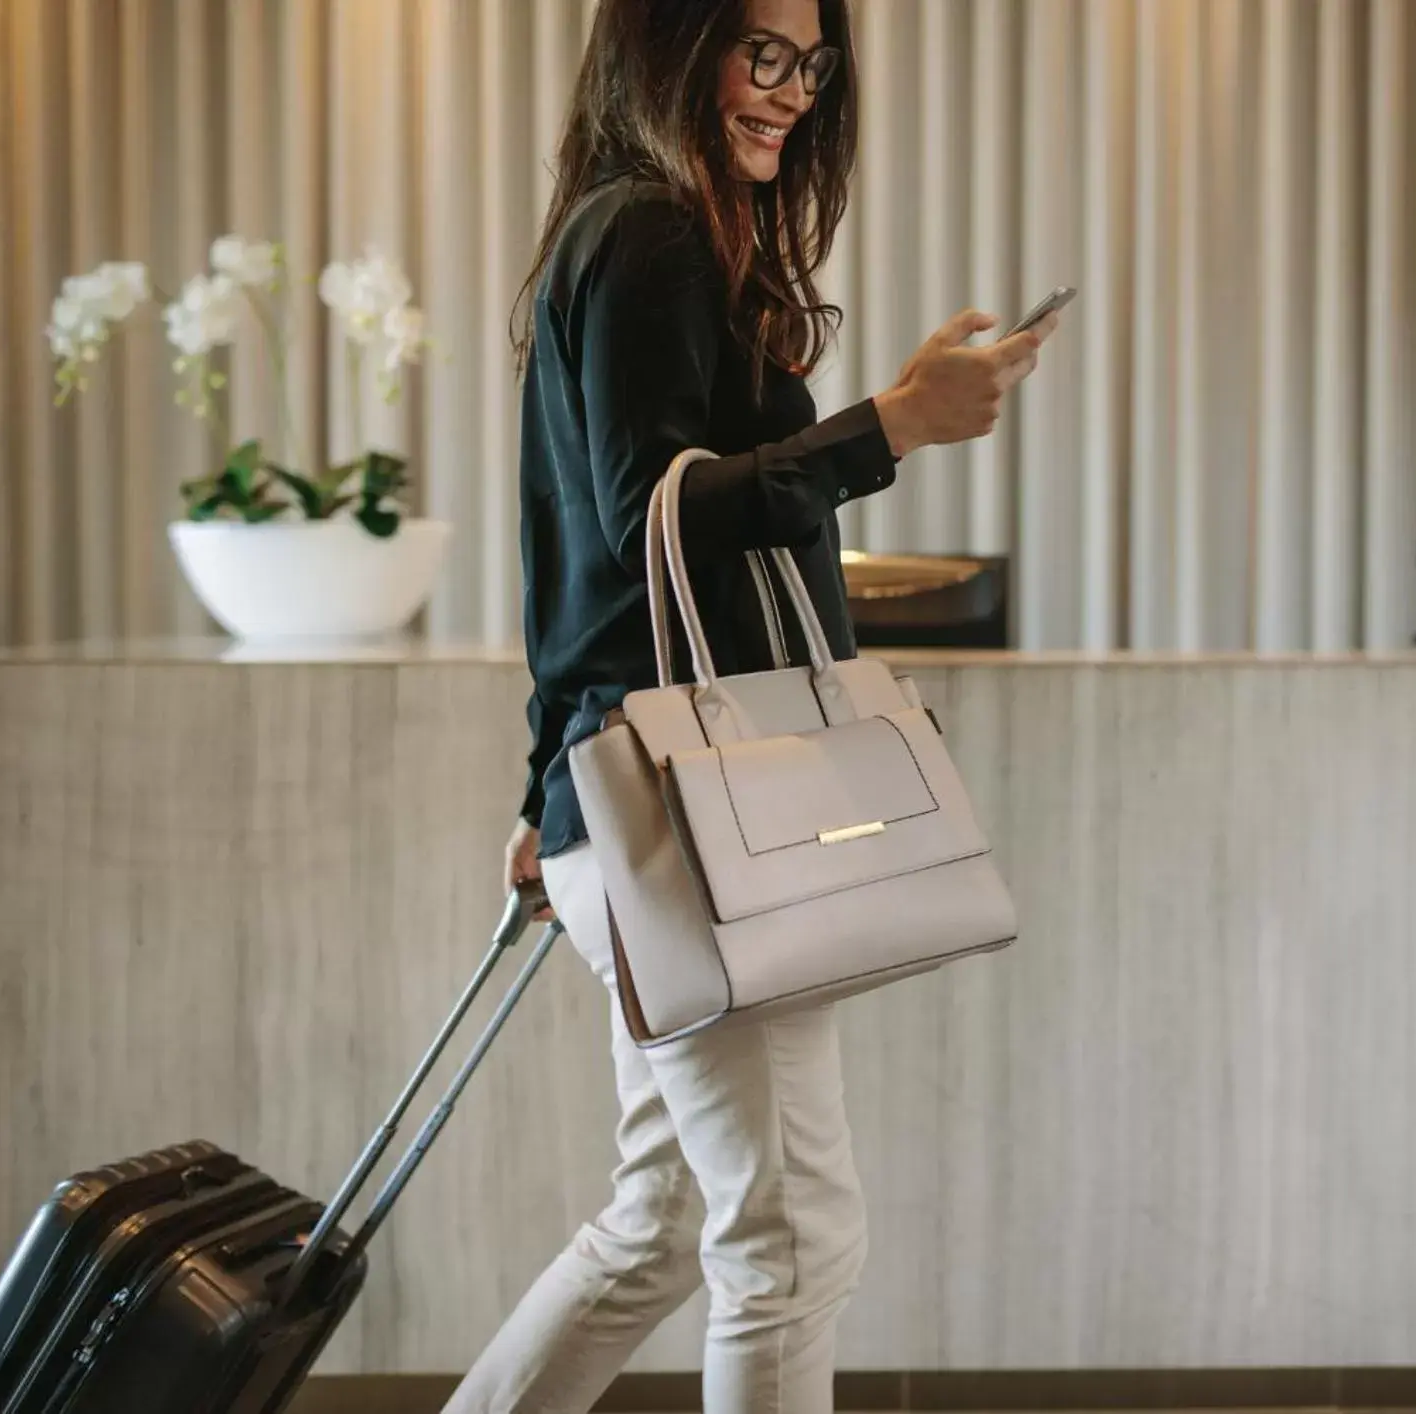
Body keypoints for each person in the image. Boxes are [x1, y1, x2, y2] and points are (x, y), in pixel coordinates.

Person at [448, 1, 1059, 1410]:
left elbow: (585, 564)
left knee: (661, 1223)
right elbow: (655, 511)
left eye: (810, 61)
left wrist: (546, 794)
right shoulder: (655, 229)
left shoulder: (616, 227)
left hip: (638, 812)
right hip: (692, 834)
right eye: (758, 52)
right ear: (673, 46)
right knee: (790, 1239)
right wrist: (892, 422)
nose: (788, 91)